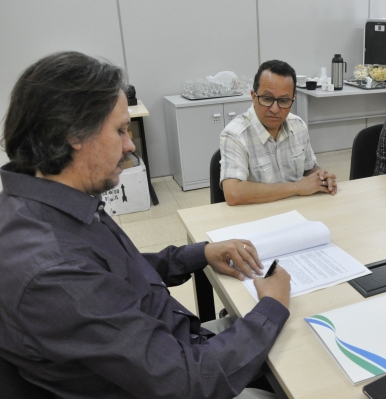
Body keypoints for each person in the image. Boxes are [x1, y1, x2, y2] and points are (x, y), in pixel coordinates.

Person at [0, 51, 292, 399]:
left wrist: (199, 253)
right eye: (121, 130)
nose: (130, 146)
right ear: (72, 134)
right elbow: (189, 381)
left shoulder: (52, 198)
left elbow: (118, 272)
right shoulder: (54, 269)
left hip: (170, 346)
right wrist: (273, 305)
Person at [219, 60, 336, 205]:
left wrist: (320, 177)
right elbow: (233, 193)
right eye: (267, 99)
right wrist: (297, 187)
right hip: (258, 217)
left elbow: (309, 168)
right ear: (253, 96)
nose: (275, 109)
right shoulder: (235, 135)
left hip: (298, 211)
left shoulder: (298, 125)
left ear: (293, 99)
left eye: (284, 100)